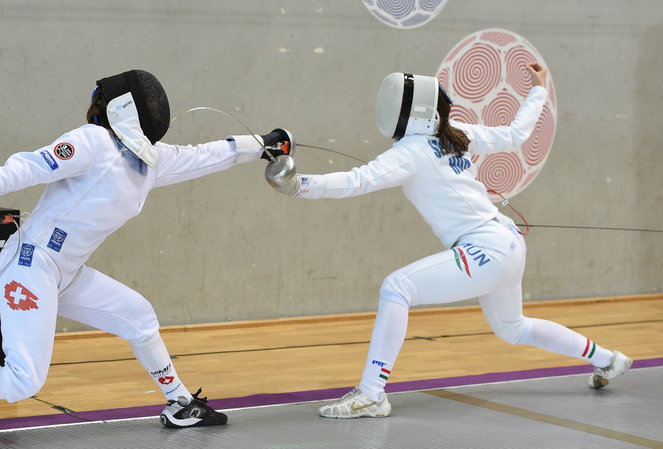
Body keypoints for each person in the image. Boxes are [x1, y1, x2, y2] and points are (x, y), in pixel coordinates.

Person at [0, 69, 294, 449]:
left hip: (65, 273)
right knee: (25, 379)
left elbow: (207, 154)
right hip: (28, 265)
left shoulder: (149, 163)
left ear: (116, 107)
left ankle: (179, 403)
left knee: (140, 317)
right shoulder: (90, 142)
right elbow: (28, 166)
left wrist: (262, 145)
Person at [265, 62, 632, 419]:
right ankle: (608, 360)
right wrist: (538, 89)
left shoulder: (411, 153)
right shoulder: (456, 133)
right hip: (505, 242)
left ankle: (372, 394)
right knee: (513, 328)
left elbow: (357, 180)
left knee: (397, 288)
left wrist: (299, 186)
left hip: (485, 248)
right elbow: (517, 132)